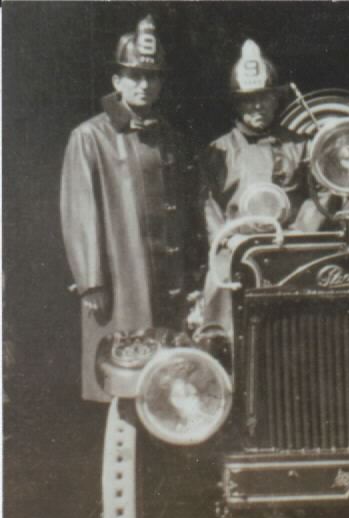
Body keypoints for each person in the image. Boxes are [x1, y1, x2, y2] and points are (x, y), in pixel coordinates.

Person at [60, 16, 196, 402]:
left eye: (151, 77)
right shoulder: (90, 136)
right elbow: (80, 210)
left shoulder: (168, 136)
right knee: (125, 376)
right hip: (122, 279)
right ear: (116, 81)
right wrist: (91, 281)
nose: (143, 84)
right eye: (134, 76)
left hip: (167, 280)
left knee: (168, 378)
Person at [199, 39, 322, 330]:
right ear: (237, 104)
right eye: (248, 99)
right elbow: (206, 202)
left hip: (291, 245)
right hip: (239, 249)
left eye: (264, 97)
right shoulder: (219, 150)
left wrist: (303, 230)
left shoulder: (300, 145)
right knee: (220, 287)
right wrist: (227, 239)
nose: (257, 106)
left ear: (276, 99)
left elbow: (322, 192)